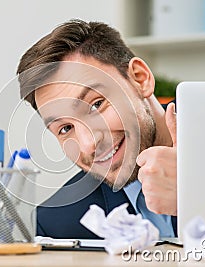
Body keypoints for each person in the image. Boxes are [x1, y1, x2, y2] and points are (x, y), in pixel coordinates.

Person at [16, 19, 178, 238]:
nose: (88, 143)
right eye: (65, 128)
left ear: (140, 79)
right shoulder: (56, 226)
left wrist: (199, 193)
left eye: (95, 105)